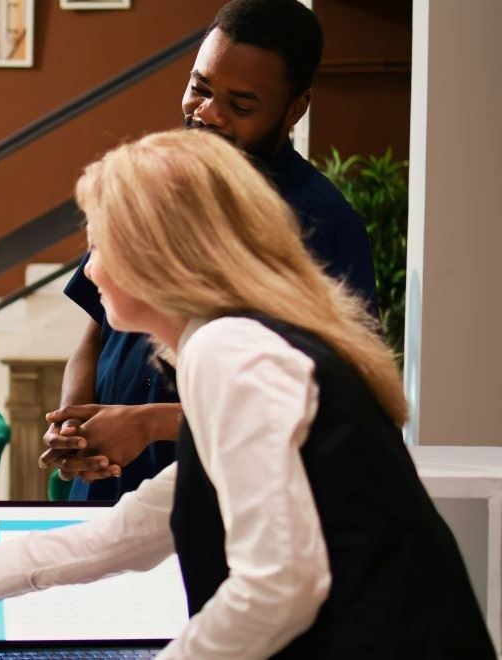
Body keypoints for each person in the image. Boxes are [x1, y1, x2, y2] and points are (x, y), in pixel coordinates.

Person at [0, 129, 493, 658]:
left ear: (156, 253)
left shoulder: (231, 352)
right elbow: (137, 527)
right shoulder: (243, 343)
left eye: (98, 241)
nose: (88, 269)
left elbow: (279, 583)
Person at [45, 0, 381, 500]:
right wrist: (76, 424)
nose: (208, 113)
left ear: (295, 108)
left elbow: (320, 406)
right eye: (199, 88)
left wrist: (146, 424)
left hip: (219, 506)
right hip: (105, 500)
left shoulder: (322, 227)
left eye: (241, 106)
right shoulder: (151, 183)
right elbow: (96, 334)